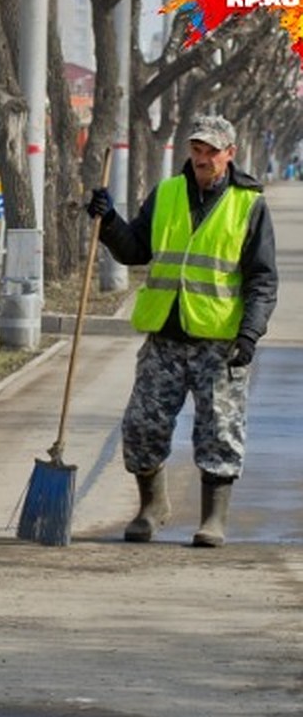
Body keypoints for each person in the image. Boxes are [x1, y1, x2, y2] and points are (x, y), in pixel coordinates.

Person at [86, 115, 277, 547]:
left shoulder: (249, 205)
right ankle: (151, 508)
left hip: (220, 343)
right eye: (197, 149)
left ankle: (213, 519)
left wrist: (250, 335)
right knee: (140, 426)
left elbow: (263, 279)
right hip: (165, 338)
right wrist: (110, 222)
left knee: (219, 432)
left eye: (211, 151)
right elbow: (136, 249)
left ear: (230, 153)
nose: (202, 158)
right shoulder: (167, 194)